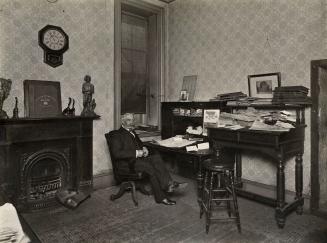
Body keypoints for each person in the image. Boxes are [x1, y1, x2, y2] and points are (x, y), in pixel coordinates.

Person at [109, 113, 188, 206]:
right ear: (123, 121)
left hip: (137, 161)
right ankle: (161, 197)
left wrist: (144, 148)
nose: (132, 122)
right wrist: (137, 153)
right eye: (129, 120)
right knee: (150, 168)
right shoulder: (116, 134)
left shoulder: (133, 132)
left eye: (133, 120)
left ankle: (169, 184)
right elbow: (117, 154)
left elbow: (140, 144)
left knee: (156, 158)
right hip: (127, 164)